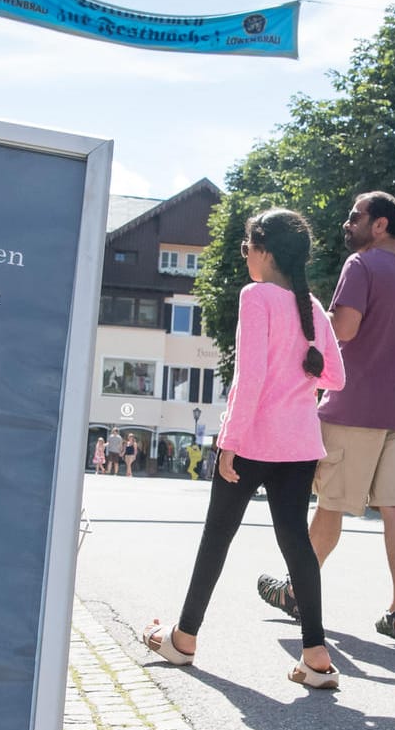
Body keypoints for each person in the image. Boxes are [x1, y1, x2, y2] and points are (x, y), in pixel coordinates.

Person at [140, 208, 346, 687]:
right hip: (297, 444)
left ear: (265, 251)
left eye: (247, 247)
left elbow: (249, 377)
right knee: (296, 543)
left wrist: (228, 441)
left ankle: (184, 638)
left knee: (218, 535)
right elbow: (336, 375)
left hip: (253, 440)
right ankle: (315, 654)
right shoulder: (310, 306)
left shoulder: (256, 297)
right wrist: (303, 368)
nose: (245, 256)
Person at [257, 191, 395, 641]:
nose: (347, 223)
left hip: (353, 406)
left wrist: (311, 324)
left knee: (333, 505)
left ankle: (297, 592)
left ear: (380, 225)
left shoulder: (360, 266)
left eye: (355, 216)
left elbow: (345, 329)